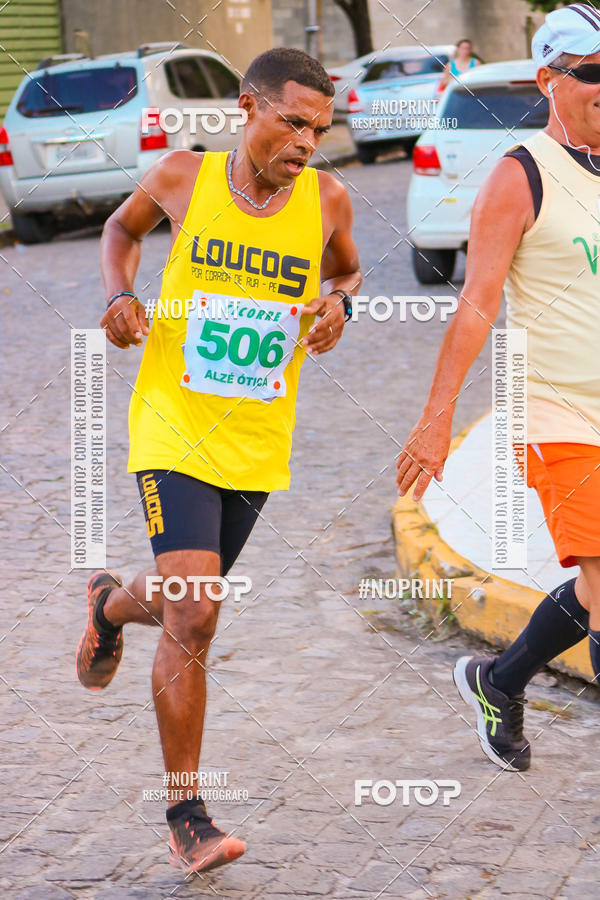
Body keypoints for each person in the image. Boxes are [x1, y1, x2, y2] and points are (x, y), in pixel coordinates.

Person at [75, 47, 361, 874]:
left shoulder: (328, 198)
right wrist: (119, 295)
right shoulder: (182, 178)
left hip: (258, 439)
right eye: (292, 122)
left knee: (178, 599)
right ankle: (187, 814)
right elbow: (118, 232)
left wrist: (341, 304)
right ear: (248, 107)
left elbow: (344, 270)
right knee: (198, 611)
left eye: (320, 128)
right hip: (171, 422)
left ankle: (108, 604)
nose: (307, 141)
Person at [396, 3, 600, 773]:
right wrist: (435, 417)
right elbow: (477, 303)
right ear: (550, 81)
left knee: (591, 585)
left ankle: (499, 678)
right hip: (556, 416)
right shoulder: (521, 175)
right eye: (593, 74)